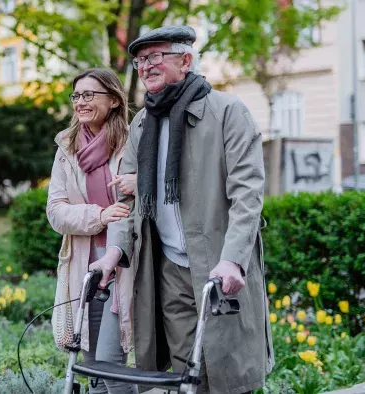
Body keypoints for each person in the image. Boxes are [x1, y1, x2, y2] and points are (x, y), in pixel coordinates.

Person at [89, 26, 275, 394]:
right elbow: (129, 201)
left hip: (220, 265)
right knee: (185, 375)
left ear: (186, 60)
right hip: (170, 267)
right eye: (140, 61)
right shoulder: (143, 122)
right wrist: (115, 251)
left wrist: (234, 259)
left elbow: (248, 192)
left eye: (155, 57)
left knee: (231, 372)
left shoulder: (228, 112)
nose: (145, 67)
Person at [46, 68, 138, 394]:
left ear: (113, 100)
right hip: (84, 263)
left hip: (126, 261)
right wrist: (100, 215)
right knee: (92, 369)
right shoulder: (67, 148)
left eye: (89, 95)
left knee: (111, 365)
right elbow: (56, 213)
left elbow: (138, 205)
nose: (81, 102)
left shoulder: (131, 143)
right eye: (76, 95)